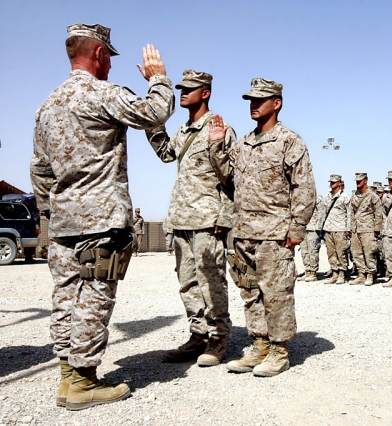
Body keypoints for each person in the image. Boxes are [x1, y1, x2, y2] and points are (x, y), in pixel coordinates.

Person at [30, 23, 174, 410]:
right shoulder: (100, 93)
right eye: (109, 55)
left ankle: (66, 376)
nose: (111, 63)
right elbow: (154, 112)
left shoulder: (47, 105)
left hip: (61, 222)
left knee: (65, 296)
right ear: (97, 54)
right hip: (100, 220)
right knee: (95, 296)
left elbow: (40, 170)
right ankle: (84, 381)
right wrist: (159, 78)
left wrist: (53, 209)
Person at [208, 78, 316, 377]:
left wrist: (297, 228)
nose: (253, 105)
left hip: (275, 233)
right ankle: (259, 346)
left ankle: (280, 350)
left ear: (276, 103)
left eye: (260, 100)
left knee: (277, 293)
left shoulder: (289, 141)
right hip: (243, 233)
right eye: (250, 100)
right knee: (251, 292)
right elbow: (228, 180)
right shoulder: (243, 143)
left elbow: (304, 188)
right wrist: (217, 146)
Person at [145, 70, 236, 366]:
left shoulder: (221, 128)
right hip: (182, 218)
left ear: (205, 93)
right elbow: (165, 153)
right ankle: (197, 335)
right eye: (181, 88)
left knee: (212, 281)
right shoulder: (183, 131)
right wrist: (152, 120)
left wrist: (216, 145)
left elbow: (231, 178)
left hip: (208, 220)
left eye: (190, 88)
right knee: (187, 283)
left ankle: (218, 338)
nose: (183, 92)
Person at [349, 173, 384, 285]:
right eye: (357, 180)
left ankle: (371, 274)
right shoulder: (354, 195)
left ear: (366, 181)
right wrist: (350, 227)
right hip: (356, 229)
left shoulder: (373, 196)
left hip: (368, 228)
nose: (358, 182)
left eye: (360, 180)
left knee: (369, 253)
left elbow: (379, 213)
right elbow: (351, 212)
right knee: (356, 253)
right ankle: (361, 274)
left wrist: (377, 229)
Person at [323, 175, 351, 284]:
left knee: (341, 252)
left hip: (340, 228)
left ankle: (342, 274)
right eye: (331, 182)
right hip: (329, 228)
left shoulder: (345, 197)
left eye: (334, 182)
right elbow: (325, 212)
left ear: (339, 183)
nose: (331, 184)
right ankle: (334, 273)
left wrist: (348, 228)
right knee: (331, 252)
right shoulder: (327, 196)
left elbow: (349, 214)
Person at [299, 194, 326, 281]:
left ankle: (313, 273)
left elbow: (322, 213)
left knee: (313, 251)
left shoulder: (316, 196)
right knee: (304, 251)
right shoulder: (300, 197)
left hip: (313, 228)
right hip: (303, 227)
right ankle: (307, 271)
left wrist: (319, 227)